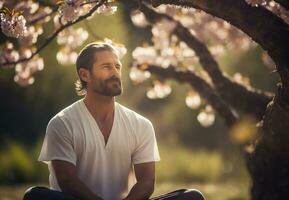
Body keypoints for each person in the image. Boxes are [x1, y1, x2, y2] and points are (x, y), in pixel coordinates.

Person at [23, 41, 205, 200]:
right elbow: (67, 181)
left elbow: (147, 181)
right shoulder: (62, 123)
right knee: (34, 195)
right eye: (106, 67)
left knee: (192, 197)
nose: (115, 73)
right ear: (85, 75)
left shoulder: (141, 124)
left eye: (117, 67)